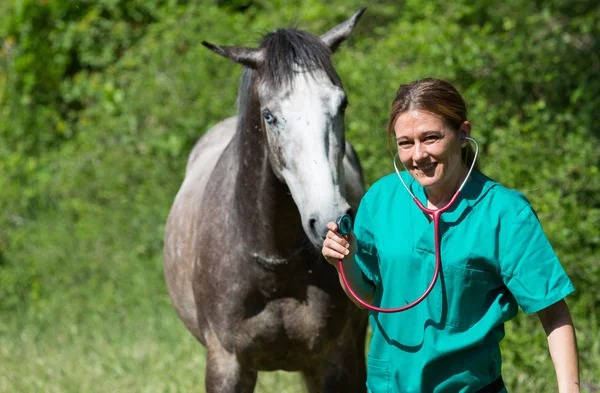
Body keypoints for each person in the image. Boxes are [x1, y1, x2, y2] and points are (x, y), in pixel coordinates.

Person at [321, 78, 579, 393]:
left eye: (431, 138)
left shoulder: (505, 213)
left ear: (463, 133)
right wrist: (344, 262)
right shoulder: (381, 198)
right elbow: (370, 298)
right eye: (405, 142)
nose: (418, 155)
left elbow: (553, 312)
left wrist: (571, 389)